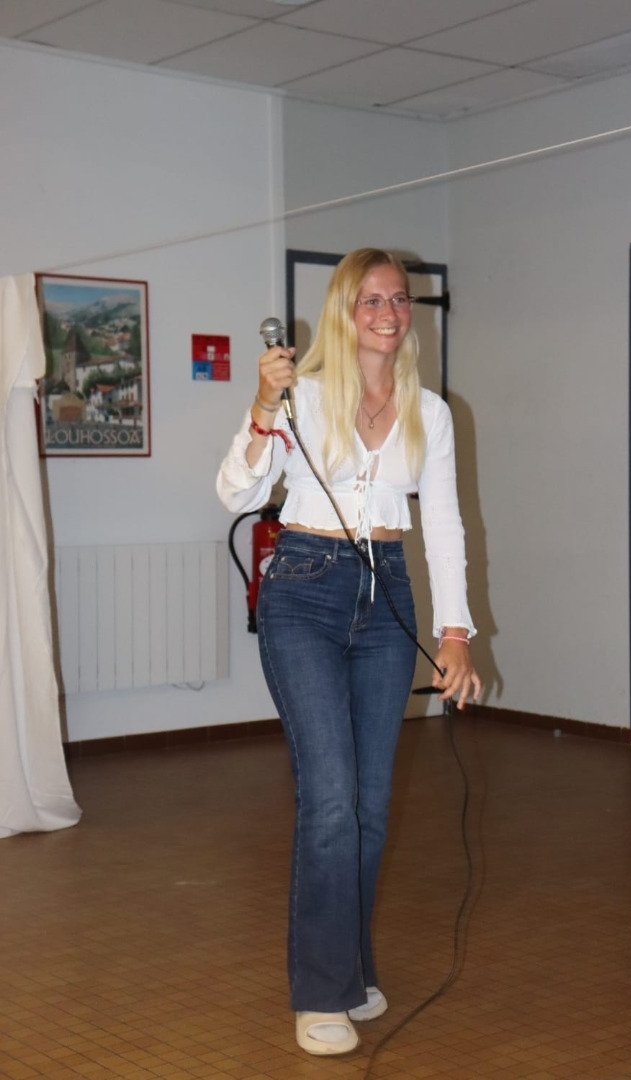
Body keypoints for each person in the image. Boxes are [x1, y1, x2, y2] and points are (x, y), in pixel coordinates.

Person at [216, 247, 481, 1056]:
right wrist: (262, 408)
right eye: (371, 300)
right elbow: (235, 491)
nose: (387, 313)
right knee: (330, 799)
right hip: (303, 591)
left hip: (386, 594)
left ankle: (351, 967)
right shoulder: (302, 393)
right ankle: (320, 993)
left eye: (399, 300)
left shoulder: (429, 411)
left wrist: (456, 634)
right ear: (344, 310)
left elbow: (443, 525)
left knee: (368, 807)